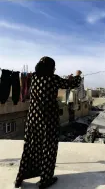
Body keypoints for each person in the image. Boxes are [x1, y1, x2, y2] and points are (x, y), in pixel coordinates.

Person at [14, 56, 82, 189]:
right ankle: (45, 179)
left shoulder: (33, 78)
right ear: (50, 68)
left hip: (33, 119)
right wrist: (77, 75)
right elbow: (72, 84)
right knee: (48, 148)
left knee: (30, 147)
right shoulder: (53, 79)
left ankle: (20, 178)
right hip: (48, 119)